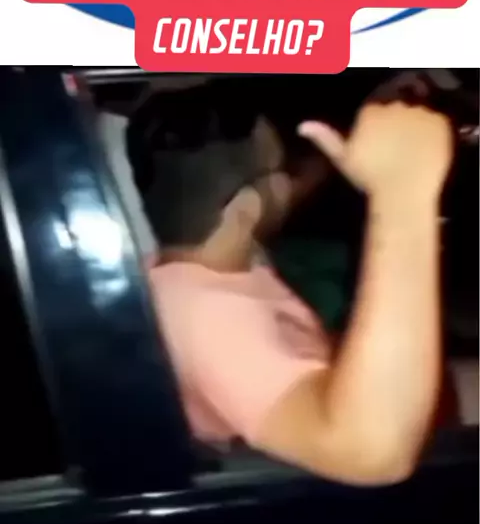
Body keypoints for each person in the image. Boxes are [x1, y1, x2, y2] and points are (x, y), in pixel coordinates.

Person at [126, 83, 453, 485]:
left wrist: (365, 152)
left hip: (336, 393)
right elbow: (370, 452)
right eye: (282, 169)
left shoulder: (193, 269)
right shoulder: (207, 317)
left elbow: (286, 190)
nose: (291, 179)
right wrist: (403, 192)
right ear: (247, 207)